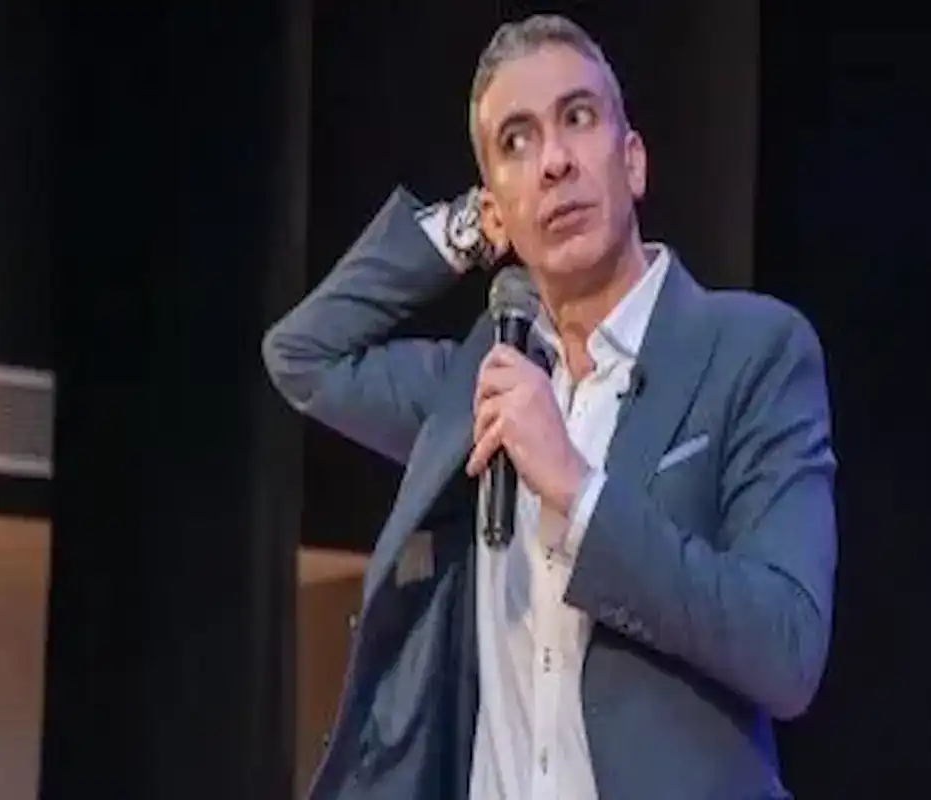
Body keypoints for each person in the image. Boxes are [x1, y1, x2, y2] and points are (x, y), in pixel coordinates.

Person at [263, 13, 837, 800]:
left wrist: (577, 488)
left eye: (578, 118)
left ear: (632, 161)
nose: (554, 161)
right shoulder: (481, 387)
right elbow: (302, 356)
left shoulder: (751, 350)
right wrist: (463, 230)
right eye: (517, 142)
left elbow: (788, 649)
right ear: (498, 205)